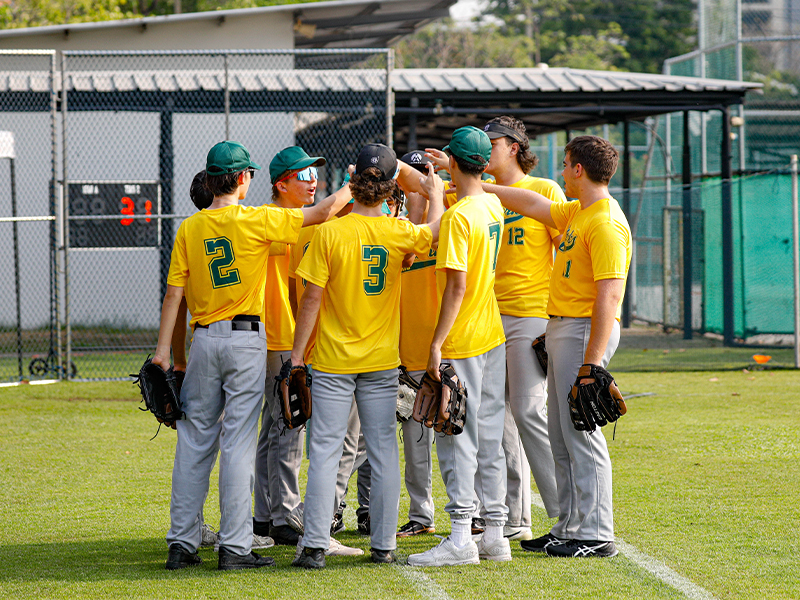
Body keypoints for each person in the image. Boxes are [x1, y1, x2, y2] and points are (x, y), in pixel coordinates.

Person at [152, 140, 351, 571]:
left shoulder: (190, 227)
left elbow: (173, 294)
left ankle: (182, 544)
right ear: (242, 179)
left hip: (202, 339)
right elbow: (319, 213)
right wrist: (355, 184)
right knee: (239, 441)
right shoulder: (257, 219)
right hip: (245, 339)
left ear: (210, 179)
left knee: (193, 441)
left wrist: (164, 352)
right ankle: (235, 546)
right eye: (249, 175)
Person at [291, 144, 444, 569]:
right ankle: (382, 544)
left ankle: (316, 545)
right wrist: (433, 194)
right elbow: (433, 231)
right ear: (390, 186)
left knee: (323, 450)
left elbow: (310, 303)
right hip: (379, 360)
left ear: (352, 180)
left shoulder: (328, 233)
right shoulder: (398, 232)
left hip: (333, 360)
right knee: (381, 449)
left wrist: (296, 356)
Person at [482, 135, 631, 558]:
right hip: (563, 328)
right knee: (562, 434)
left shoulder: (604, 220)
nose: (562, 171)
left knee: (583, 431)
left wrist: (592, 364)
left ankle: (597, 532)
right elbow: (533, 205)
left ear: (579, 170)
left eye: (566, 165)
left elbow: (609, 295)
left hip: (586, 331)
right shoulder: (580, 211)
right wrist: (482, 187)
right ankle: (568, 525)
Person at [408, 126, 510, 567]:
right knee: (488, 438)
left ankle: (461, 538)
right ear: (485, 165)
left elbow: (455, 288)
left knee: (454, 438)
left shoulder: (457, 215)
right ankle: (496, 534)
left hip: (463, 339)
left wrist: (436, 343)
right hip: (492, 334)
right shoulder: (492, 203)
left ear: (452, 159)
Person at [482, 116, 563, 541]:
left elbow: (565, 252)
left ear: (514, 146)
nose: (486, 148)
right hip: (487, 316)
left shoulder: (544, 189)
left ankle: (565, 512)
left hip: (529, 314)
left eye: (491, 141)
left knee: (529, 411)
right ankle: (513, 518)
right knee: (497, 419)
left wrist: (556, 319)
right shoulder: (477, 195)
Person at [253, 146, 326, 548]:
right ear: (281, 184)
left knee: (273, 426)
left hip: (281, 336)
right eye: (302, 175)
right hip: (277, 337)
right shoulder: (276, 220)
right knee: (288, 423)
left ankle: (265, 514)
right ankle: (283, 513)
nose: (312, 179)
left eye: (313, 173)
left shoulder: (295, 223)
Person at [396, 150, 439, 539]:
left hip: (446, 351)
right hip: (407, 352)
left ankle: (473, 514)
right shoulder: (396, 230)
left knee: (456, 436)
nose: (418, 183)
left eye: (424, 174)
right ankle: (421, 514)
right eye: (412, 176)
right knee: (414, 441)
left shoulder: (448, 218)